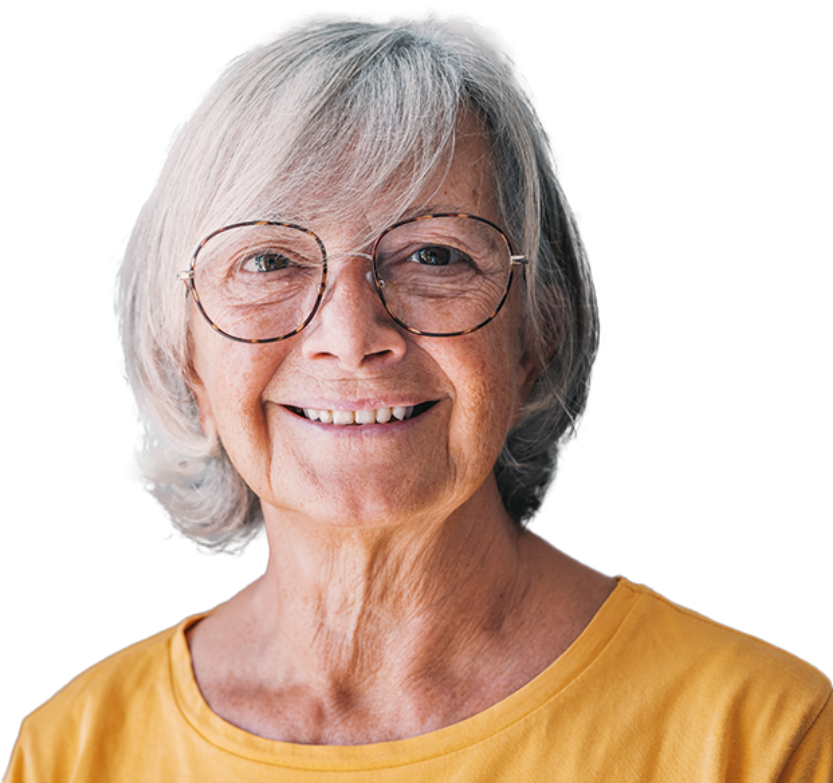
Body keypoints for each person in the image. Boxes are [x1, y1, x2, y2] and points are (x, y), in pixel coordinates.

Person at [6, 5, 831, 780]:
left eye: (434, 254)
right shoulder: (77, 749)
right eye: (268, 260)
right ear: (182, 344)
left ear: (536, 333)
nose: (350, 333)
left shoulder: (759, 738)